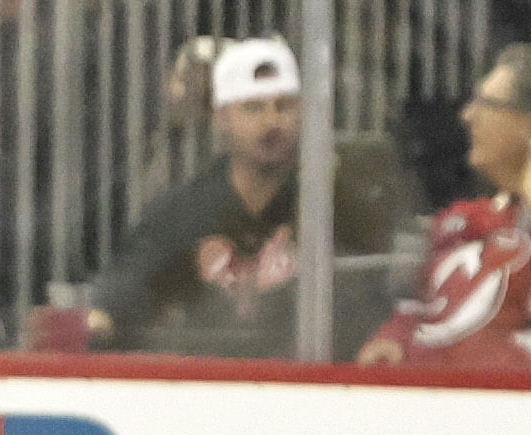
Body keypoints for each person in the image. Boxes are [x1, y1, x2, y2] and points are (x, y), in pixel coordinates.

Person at [84, 31, 352, 357]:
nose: (271, 122)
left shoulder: (330, 201)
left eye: (283, 107)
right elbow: (125, 285)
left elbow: (366, 298)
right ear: (221, 118)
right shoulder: (187, 210)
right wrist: (98, 319)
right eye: (253, 108)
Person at [361, 42, 531, 372]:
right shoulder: (450, 223)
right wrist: (390, 343)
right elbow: (406, 317)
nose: (467, 115)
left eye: (487, 103)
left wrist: (446, 381)